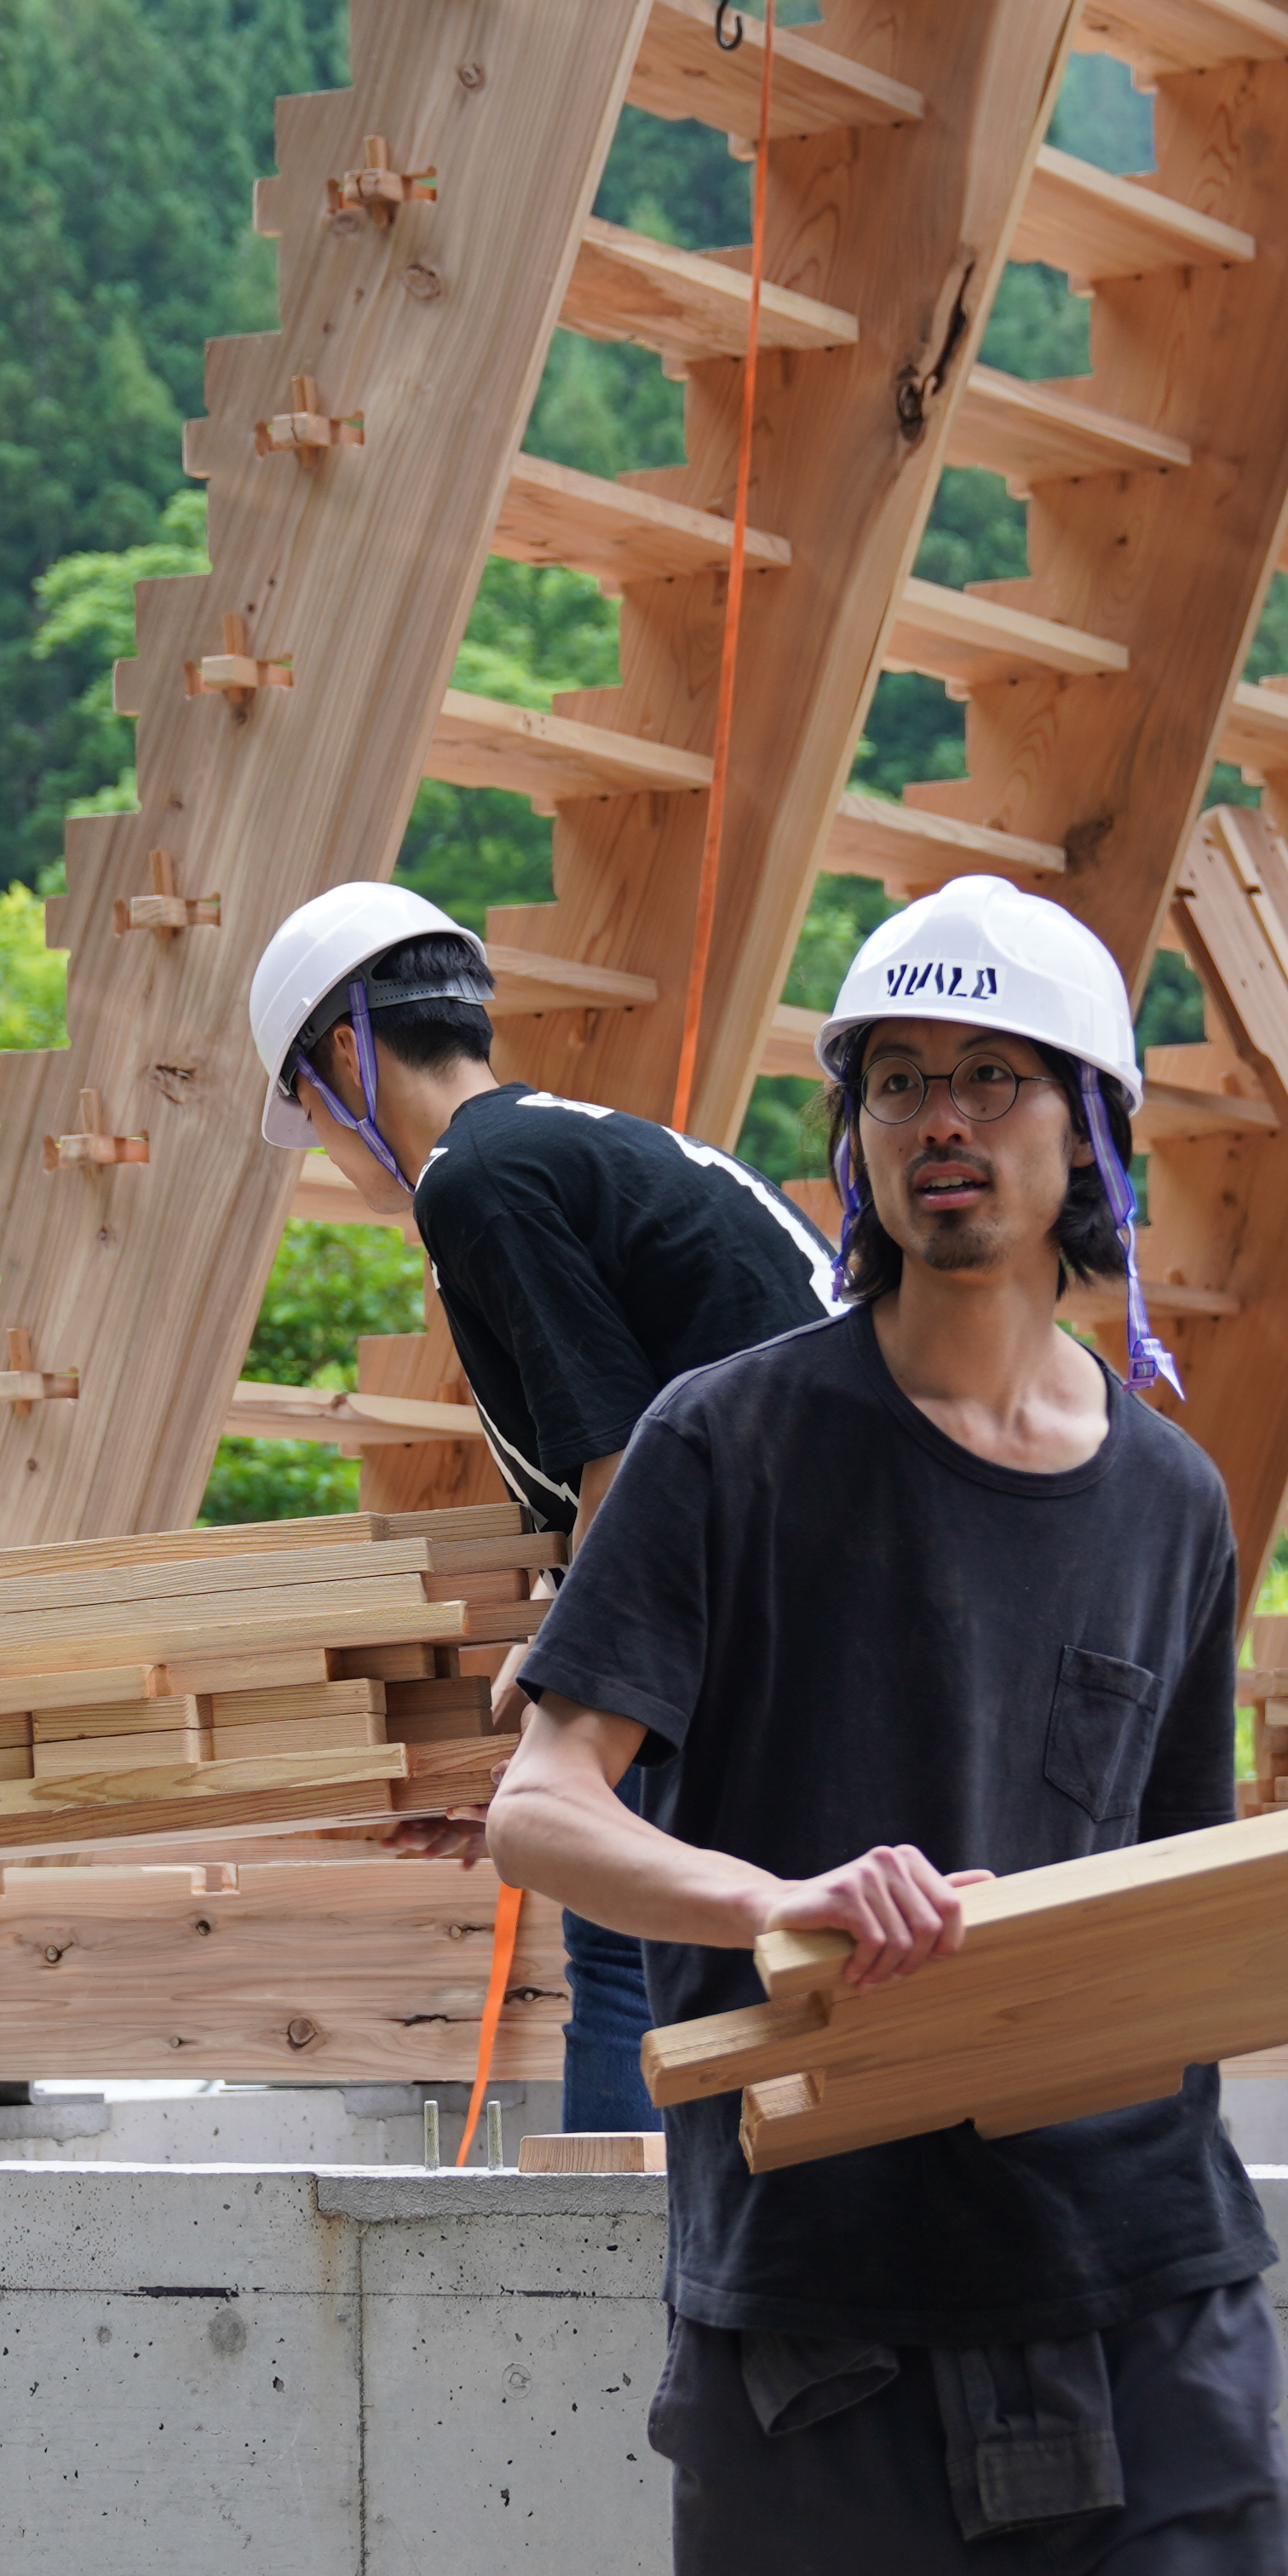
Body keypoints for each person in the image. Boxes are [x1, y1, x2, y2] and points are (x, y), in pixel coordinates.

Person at [480, 873, 1288, 2576]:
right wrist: (769, 1897)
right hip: (829, 2337)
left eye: (996, 1080)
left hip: (1147, 2307)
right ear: (851, 1141)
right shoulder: (727, 1441)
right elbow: (539, 1800)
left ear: (1086, 1136)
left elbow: (1181, 1892)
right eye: (899, 1082)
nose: (944, 1120)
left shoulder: (1172, 1501)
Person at [249, 878, 838, 2129]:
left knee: (624, 1924)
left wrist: (573, 1709)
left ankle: (607, 2249)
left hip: (784, 1575)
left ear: (347, 1052)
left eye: (308, 1101)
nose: (329, 1140)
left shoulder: (476, 1181)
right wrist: (554, 1750)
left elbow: (621, 1459)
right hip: (809, 1562)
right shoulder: (558, 1146)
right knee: (664, 1893)